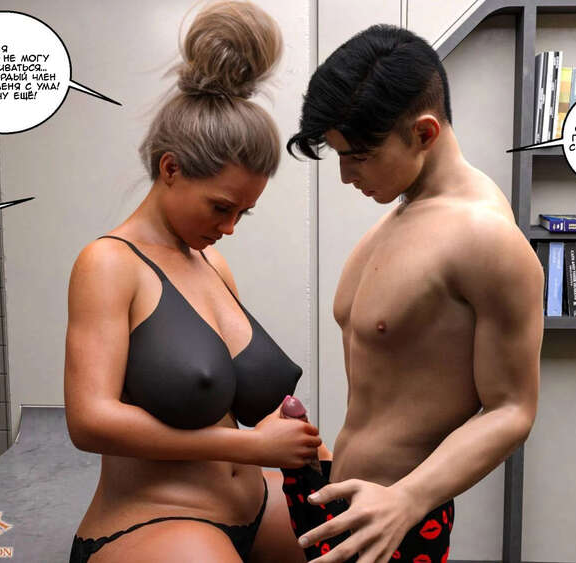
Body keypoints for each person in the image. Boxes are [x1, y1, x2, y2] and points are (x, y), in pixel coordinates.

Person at [63, 3, 318, 562]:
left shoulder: (212, 264)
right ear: (171, 169)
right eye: (221, 207)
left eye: (243, 214)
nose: (229, 228)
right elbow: (90, 421)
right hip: (157, 521)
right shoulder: (108, 263)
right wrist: (252, 446)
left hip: (253, 506)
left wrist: (291, 435)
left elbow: (235, 400)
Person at [281, 24, 544, 563]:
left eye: (358, 156)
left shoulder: (486, 238)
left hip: (400, 521)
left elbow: (512, 408)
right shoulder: (401, 214)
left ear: (424, 133)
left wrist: (406, 499)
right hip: (344, 500)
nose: (345, 175)